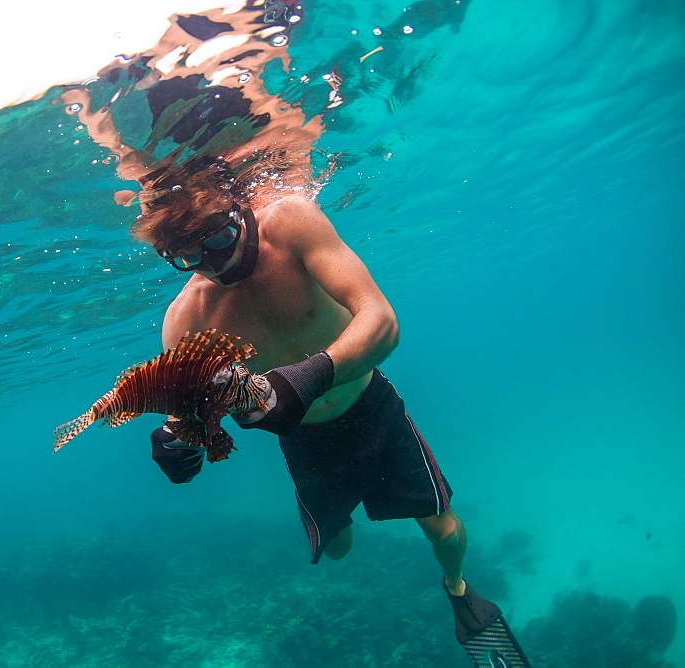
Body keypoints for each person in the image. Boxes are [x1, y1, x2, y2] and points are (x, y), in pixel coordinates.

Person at [134, 162, 504, 646]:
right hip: (307, 442)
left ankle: (457, 588)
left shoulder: (290, 223)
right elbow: (186, 413)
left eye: (220, 241)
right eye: (189, 256)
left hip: (374, 410)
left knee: (441, 527)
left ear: (240, 209)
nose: (214, 265)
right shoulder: (186, 318)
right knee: (337, 549)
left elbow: (381, 320)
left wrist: (309, 377)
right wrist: (178, 443)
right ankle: (348, 520)